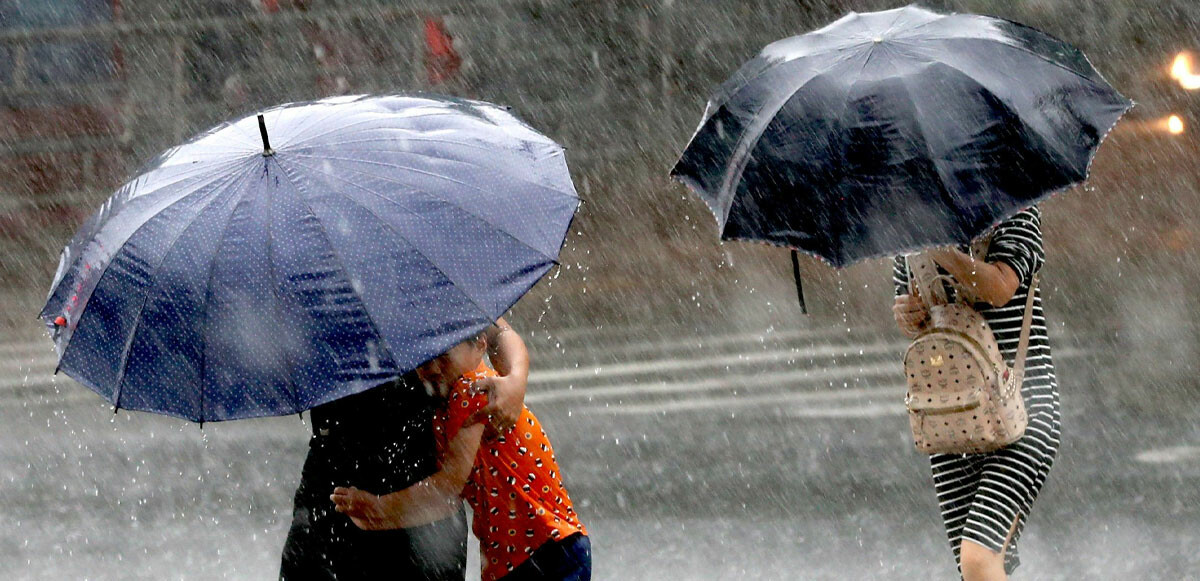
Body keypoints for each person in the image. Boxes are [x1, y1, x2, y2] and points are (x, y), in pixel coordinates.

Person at [279, 318, 530, 580]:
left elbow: (495, 328)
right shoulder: (314, 288)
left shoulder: (422, 282)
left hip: (420, 498)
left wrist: (516, 379)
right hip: (335, 489)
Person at [330, 329, 591, 581]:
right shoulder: (444, 410)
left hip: (546, 549)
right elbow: (444, 500)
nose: (432, 368)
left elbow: (447, 486)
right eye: (422, 359)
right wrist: (376, 518)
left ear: (479, 345)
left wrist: (378, 507)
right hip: (523, 553)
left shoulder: (472, 390)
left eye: (443, 356)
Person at [891, 207, 1060, 581]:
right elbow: (910, 313)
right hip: (951, 419)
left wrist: (939, 247)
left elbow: (999, 288)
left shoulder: (1015, 209)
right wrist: (908, 312)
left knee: (978, 560)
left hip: (1022, 412)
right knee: (976, 571)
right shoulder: (909, 223)